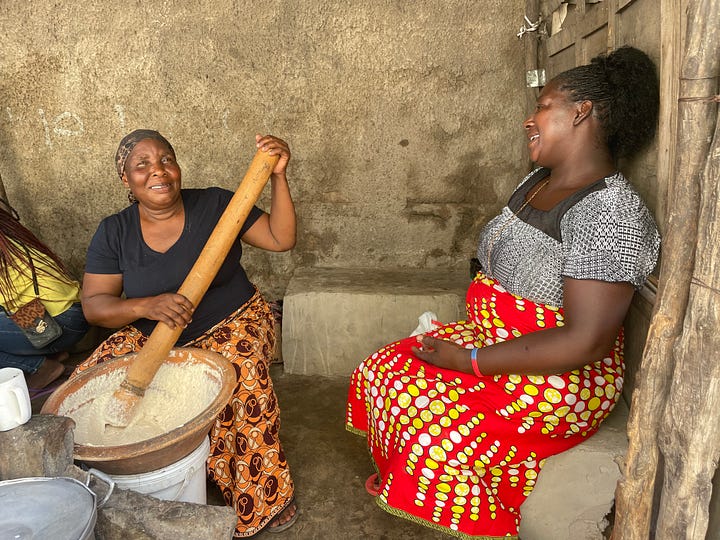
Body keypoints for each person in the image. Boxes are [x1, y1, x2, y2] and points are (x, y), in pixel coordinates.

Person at [345, 46, 661, 538]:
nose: (528, 120)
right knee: (381, 370)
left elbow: (586, 342)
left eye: (543, 105)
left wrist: (467, 361)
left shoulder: (610, 214)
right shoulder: (539, 181)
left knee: (432, 427)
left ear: (580, 112)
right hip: (498, 341)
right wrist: (471, 342)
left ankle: (474, 513)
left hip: (558, 377)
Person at [72, 129, 297, 537]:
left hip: (232, 320)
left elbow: (282, 239)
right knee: (88, 387)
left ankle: (263, 496)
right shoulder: (114, 232)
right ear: (126, 179)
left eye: (166, 160)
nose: (158, 171)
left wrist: (278, 176)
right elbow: (95, 307)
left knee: (240, 383)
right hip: (152, 331)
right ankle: (115, 490)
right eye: (142, 165)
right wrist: (146, 305)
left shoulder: (216, 203)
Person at [0, 200, 89, 392]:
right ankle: (53, 357)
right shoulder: (8, 239)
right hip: (73, 313)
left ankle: (42, 367)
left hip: (58, 323)